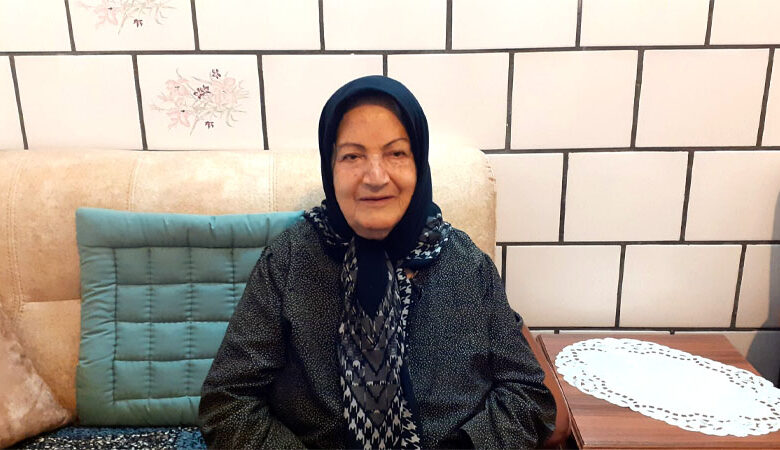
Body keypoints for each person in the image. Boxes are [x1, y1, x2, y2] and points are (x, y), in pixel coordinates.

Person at [198, 75, 556, 449]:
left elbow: (528, 394)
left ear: (419, 164)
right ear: (330, 166)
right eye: (352, 156)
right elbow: (228, 401)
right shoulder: (289, 260)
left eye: (396, 153)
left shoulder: (467, 265)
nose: (375, 177)